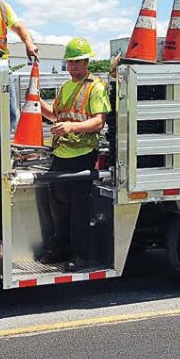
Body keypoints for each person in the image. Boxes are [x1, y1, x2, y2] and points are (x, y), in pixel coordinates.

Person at [37, 38, 111, 269]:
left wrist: (71, 127)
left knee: (80, 209)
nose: (73, 67)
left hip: (83, 153)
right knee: (58, 205)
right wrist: (36, 101)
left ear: (87, 61)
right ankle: (62, 248)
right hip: (61, 153)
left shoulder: (95, 87)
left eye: (77, 62)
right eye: (70, 62)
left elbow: (99, 121)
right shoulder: (65, 87)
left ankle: (81, 255)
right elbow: (56, 116)